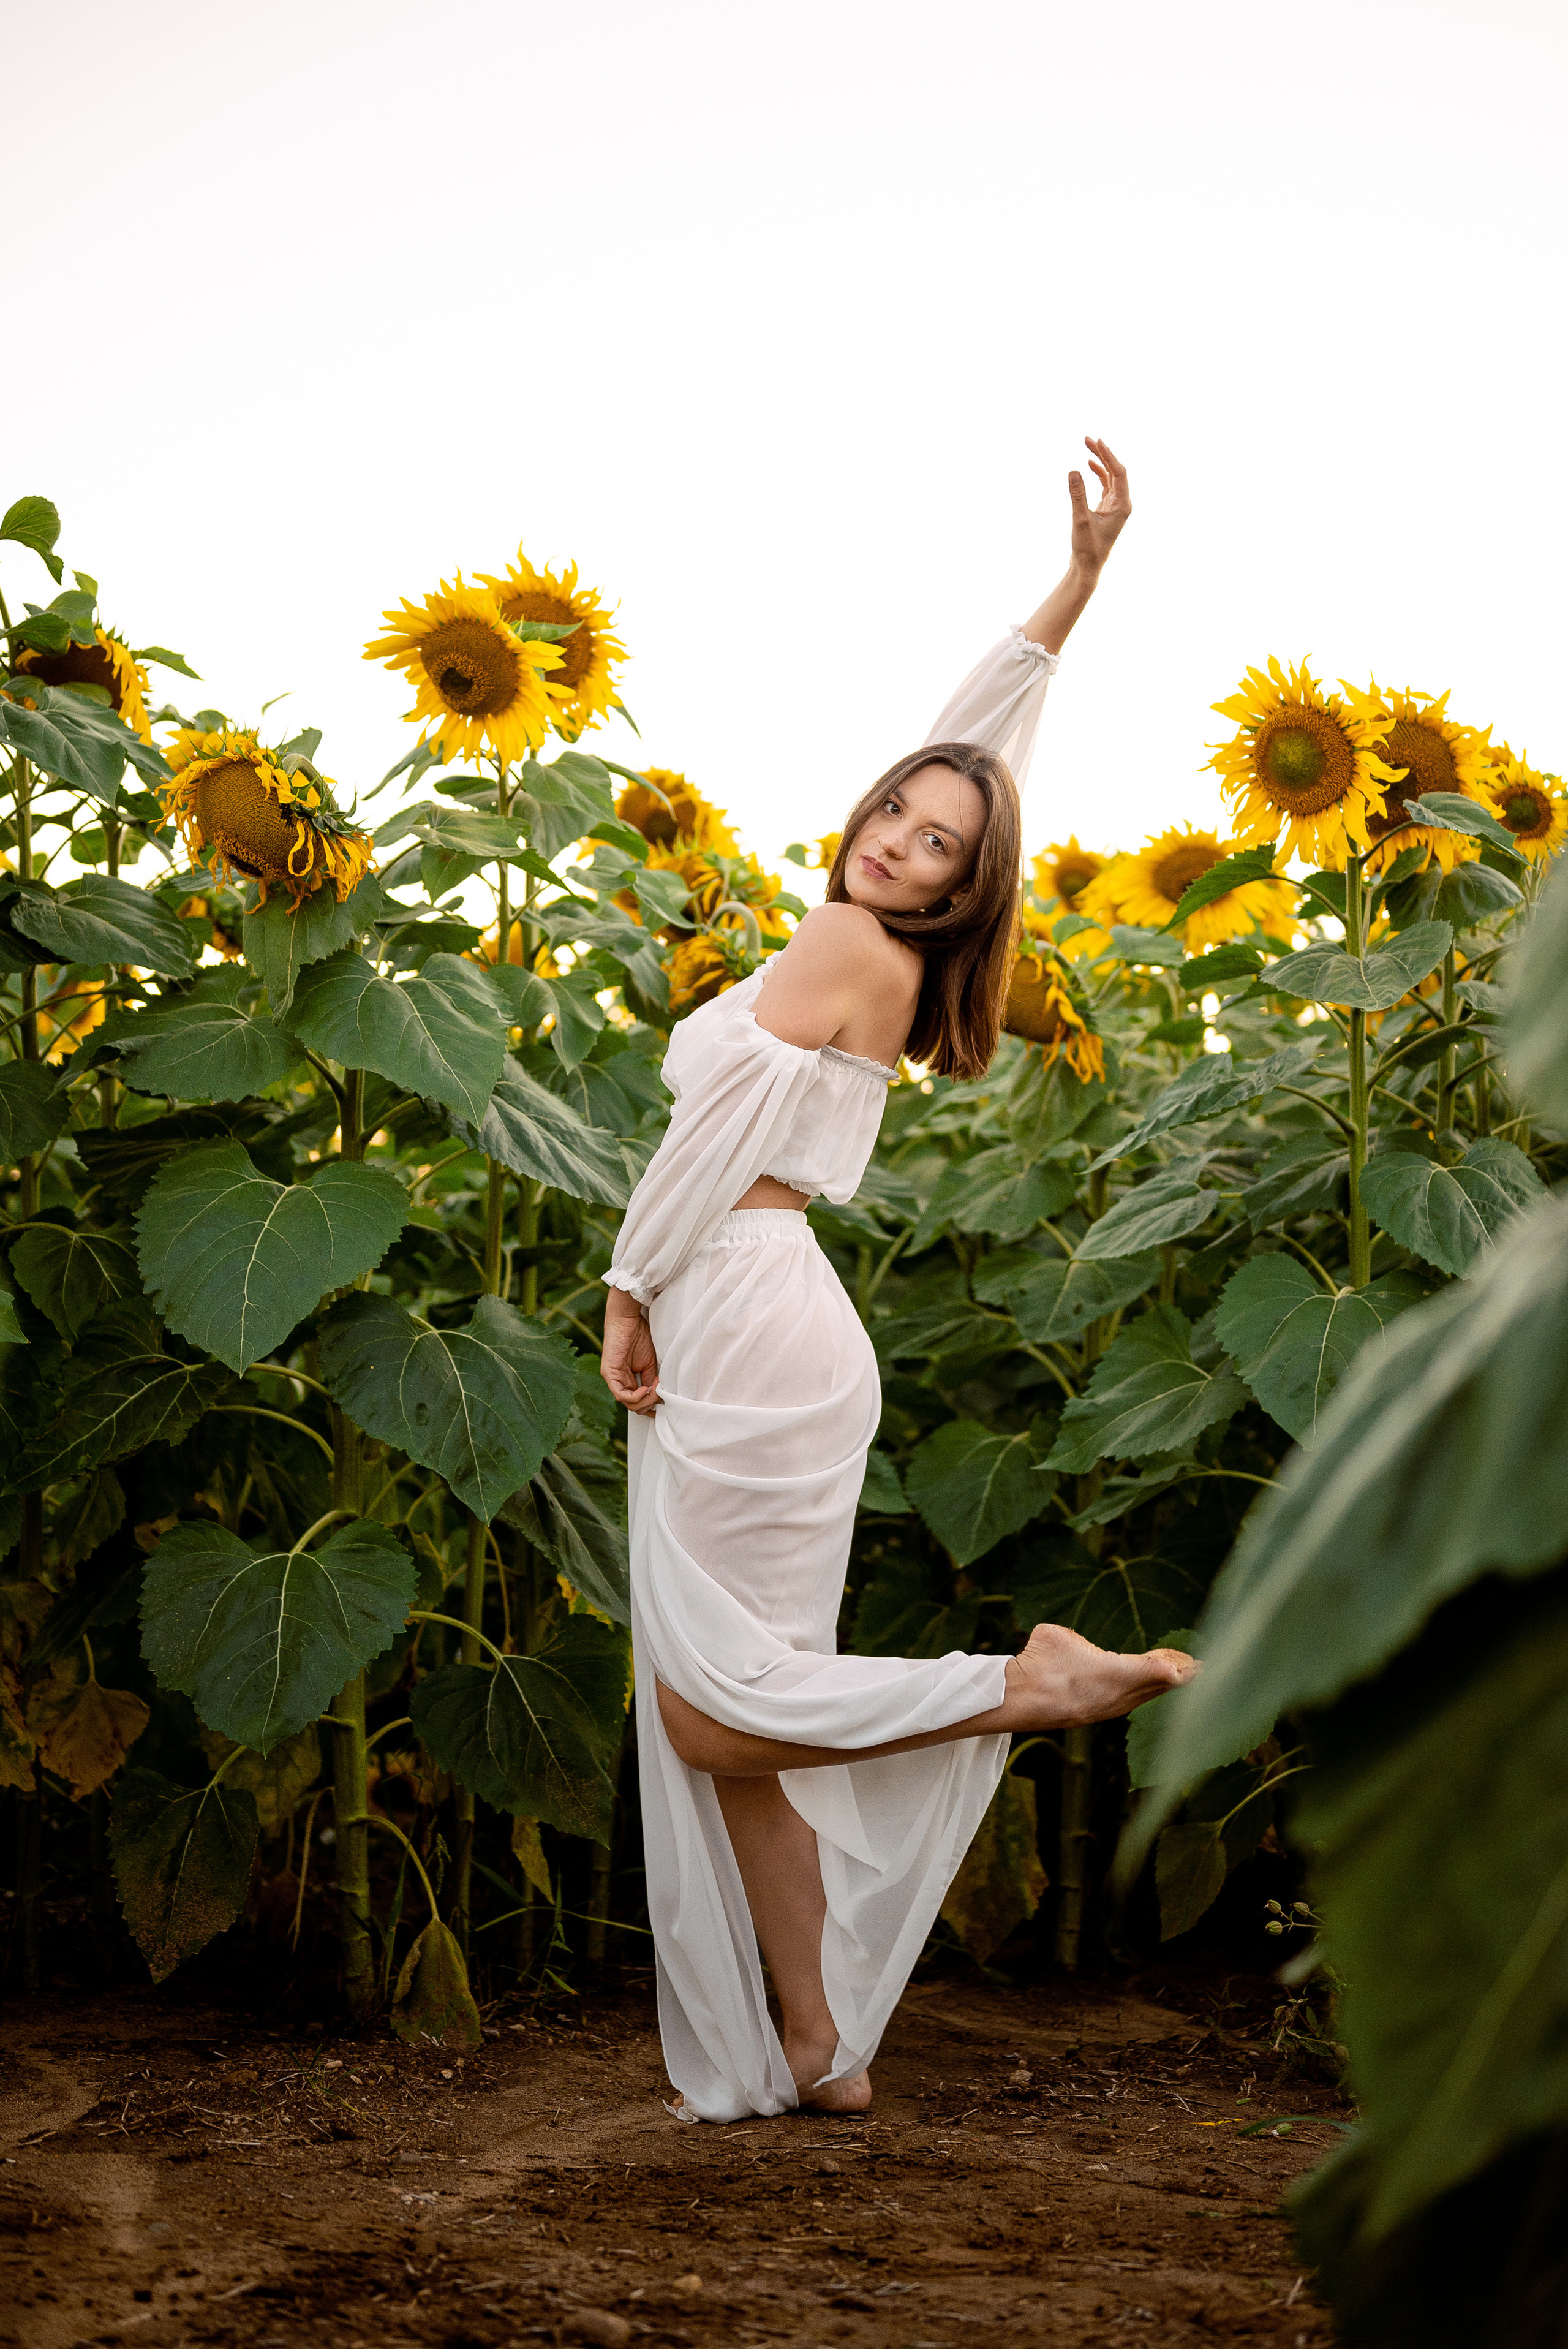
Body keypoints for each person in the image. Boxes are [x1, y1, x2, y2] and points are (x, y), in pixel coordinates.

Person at [600, 438, 1195, 2125]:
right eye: (896, 815)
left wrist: (627, 1289)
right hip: (773, 1320)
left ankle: (1035, 1682)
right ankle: (814, 2040)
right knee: (744, 1720)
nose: (902, 844)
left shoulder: (849, 949)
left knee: (720, 1711)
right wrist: (1076, 589)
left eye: (941, 847)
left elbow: (707, 1140)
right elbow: (974, 739)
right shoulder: (875, 928)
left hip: (741, 1309)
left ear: (959, 893)